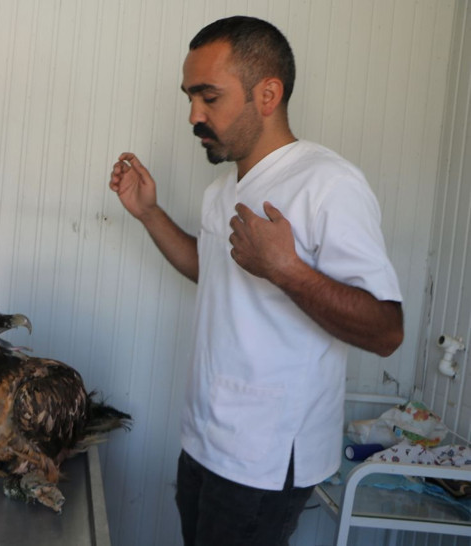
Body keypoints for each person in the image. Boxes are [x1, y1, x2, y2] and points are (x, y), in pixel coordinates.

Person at [109, 15, 404, 546]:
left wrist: (287, 270)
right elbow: (213, 271)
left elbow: (386, 331)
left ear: (268, 94)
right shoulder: (223, 189)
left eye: (209, 97)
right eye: (189, 97)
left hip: (264, 459)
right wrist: (149, 213)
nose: (194, 115)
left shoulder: (328, 183)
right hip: (204, 439)